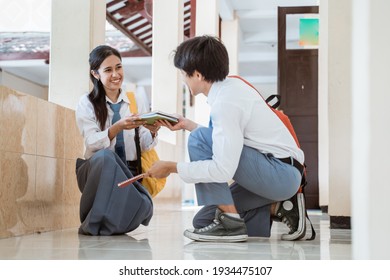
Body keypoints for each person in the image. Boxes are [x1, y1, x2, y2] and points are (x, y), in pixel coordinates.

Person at [146, 35, 306, 242]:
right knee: (204, 221)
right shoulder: (230, 90)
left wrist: (171, 167)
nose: (184, 80)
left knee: (198, 140)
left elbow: (223, 169)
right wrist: (187, 125)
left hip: (280, 174)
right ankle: (281, 207)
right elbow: (225, 140)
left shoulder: (226, 103)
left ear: (197, 74)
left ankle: (231, 223)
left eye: (184, 74)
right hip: (275, 173)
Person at [75, 45, 160, 235]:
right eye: (108, 70)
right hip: (96, 173)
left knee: (144, 207)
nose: (116, 74)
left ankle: (114, 220)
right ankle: (97, 222)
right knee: (106, 157)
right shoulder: (86, 103)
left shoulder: (135, 99)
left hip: (128, 171)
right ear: (96, 74)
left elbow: (144, 144)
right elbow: (91, 143)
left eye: (118, 67)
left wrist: (153, 131)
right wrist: (117, 127)